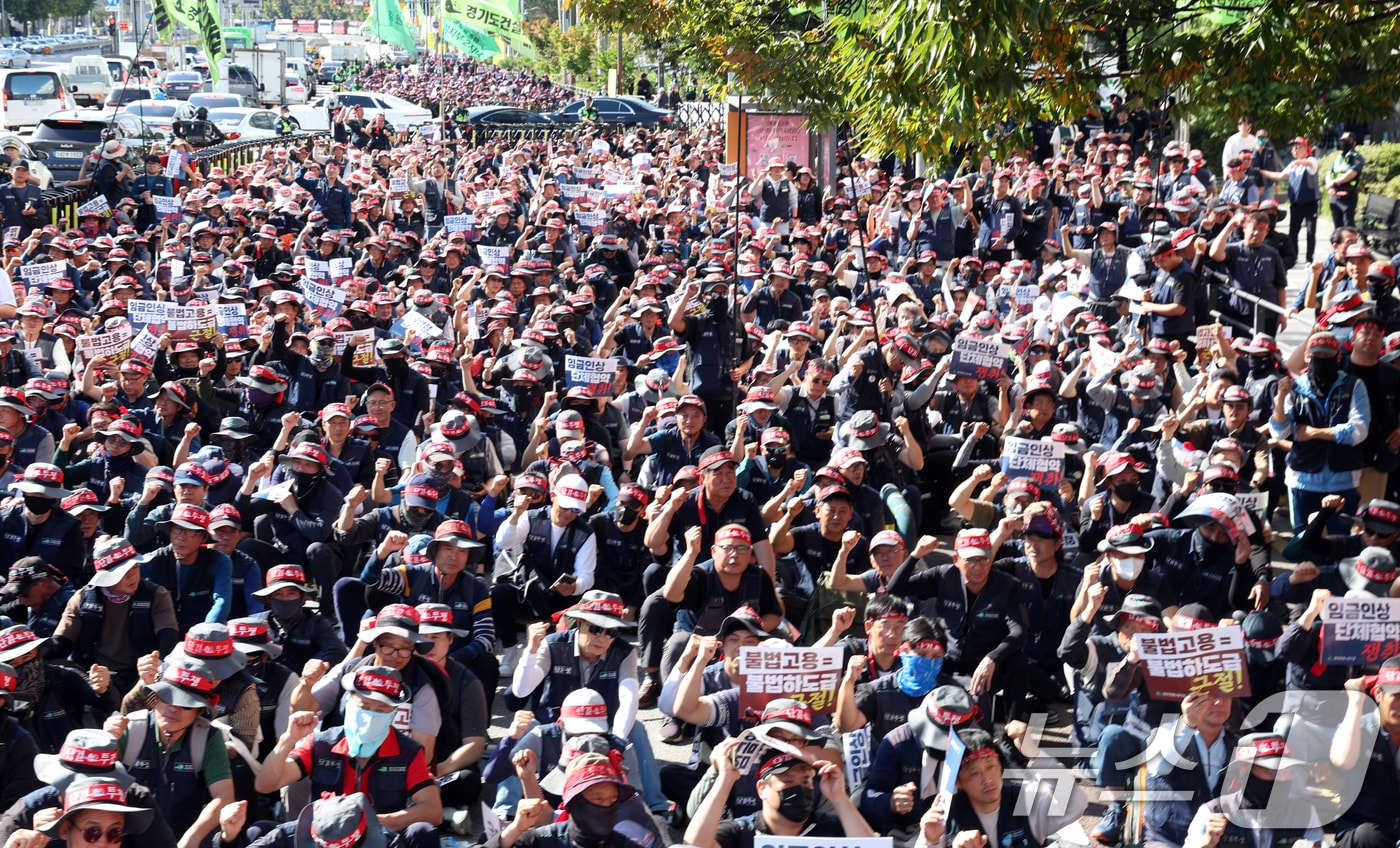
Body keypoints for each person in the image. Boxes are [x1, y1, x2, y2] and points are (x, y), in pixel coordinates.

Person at [254, 665, 443, 848]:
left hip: (380, 838)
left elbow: (433, 810)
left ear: (393, 713)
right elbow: (266, 784)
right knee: (258, 831)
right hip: (324, 836)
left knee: (422, 832)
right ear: (350, 703)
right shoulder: (321, 743)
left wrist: (372, 822)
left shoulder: (408, 751)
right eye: (365, 706)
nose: (371, 715)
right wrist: (289, 739)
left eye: (381, 710)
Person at [686, 742, 876, 848]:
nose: (799, 788)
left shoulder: (830, 828)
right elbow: (694, 845)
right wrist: (726, 778)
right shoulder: (741, 832)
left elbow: (871, 847)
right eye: (787, 780)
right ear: (762, 789)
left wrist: (840, 798)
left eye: (806, 781)